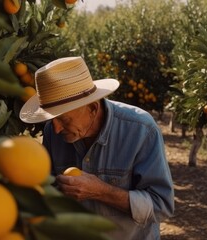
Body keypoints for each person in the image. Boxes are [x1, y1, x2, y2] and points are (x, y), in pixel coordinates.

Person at [19, 56, 174, 240]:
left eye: (64, 119)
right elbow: (50, 192)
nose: (56, 128)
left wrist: (102, 191)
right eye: (51, 119)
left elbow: (161, 206)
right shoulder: (54, 133)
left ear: (92, 108)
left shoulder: (141, 131)